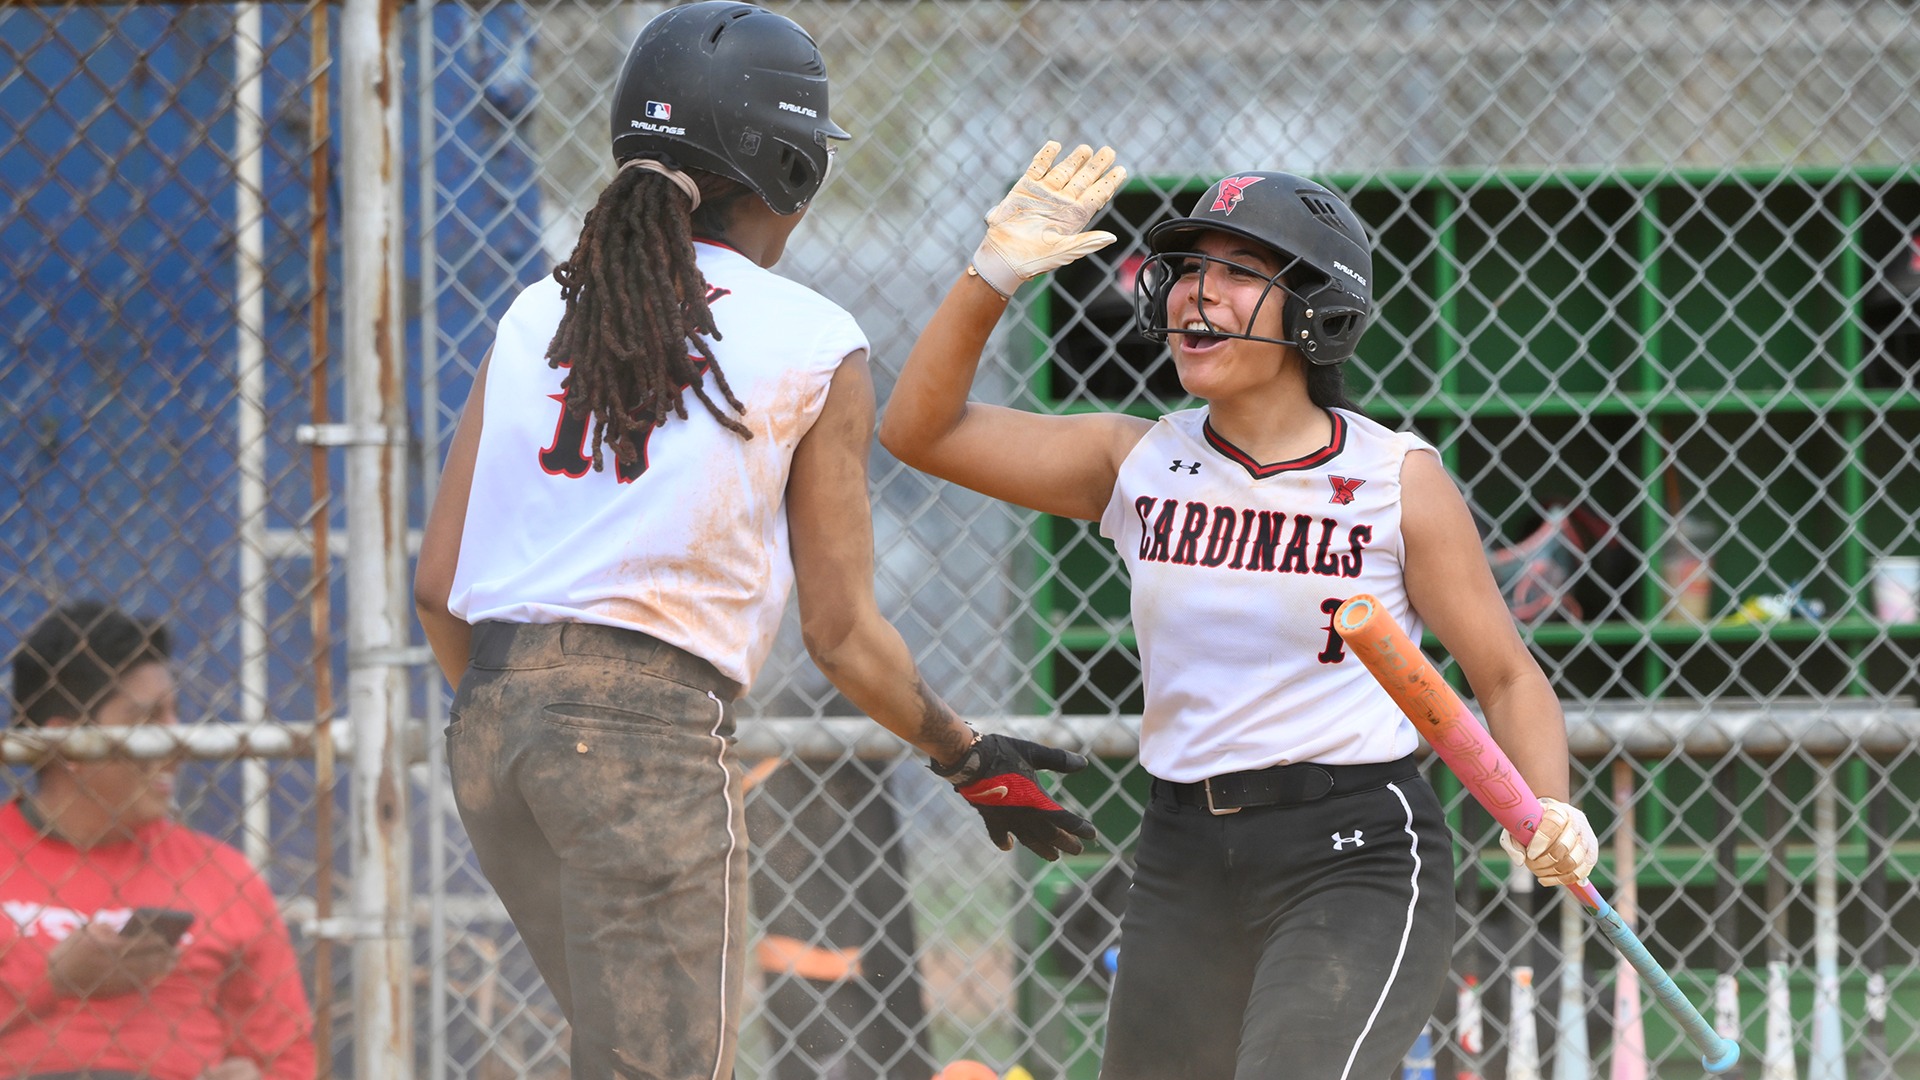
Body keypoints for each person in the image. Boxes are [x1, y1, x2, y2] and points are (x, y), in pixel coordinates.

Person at [411, 6, 1095, 1078]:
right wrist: (967, 756)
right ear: (790, 168)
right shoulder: (815, 337)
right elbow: (840, 634)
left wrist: (517, 712)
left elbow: (438, 587)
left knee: (614, 1053)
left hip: (491, 735)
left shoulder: (532, 312)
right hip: (644, 739)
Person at [878, 144, 1602, 1080]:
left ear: (1317, 308)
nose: (1194, 294)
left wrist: (1547, 804)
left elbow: (1504, 675)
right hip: (1184, 854)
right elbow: (917, 431)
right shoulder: (1132, 460)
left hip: (1354, 851)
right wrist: (997, 271)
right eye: (1187, 269)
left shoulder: (1395, 481)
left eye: (1238, 272)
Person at [1, 601, 317, 1080]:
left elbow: (288, 1058)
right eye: (148, 719)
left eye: (174, 715)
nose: (177, 742)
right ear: (66, 745)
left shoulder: (223, 876)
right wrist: (53, 981)